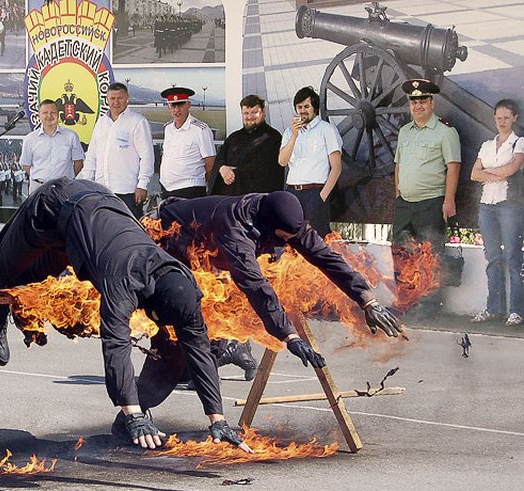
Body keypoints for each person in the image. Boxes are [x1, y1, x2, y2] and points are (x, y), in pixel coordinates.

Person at [0, 178, 251, 452]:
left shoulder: (183, 284)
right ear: (151, 308)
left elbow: (198, 349)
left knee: (30, 278)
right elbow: (116, 345)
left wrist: (218, 419)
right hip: (53, 206)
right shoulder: (123, 279)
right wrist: (133, 414)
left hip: (89, 222)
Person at [151, 191, 403, 381]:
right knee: (182, 312)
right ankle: (154, 385)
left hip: (211, 252)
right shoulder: (236, 231)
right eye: (285, 238)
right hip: (169, 240)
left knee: (221, 302)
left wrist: (366, 299)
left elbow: (327, 258)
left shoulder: (287, 221)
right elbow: (255, 286)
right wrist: (288, 335)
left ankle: (226, 349)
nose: (291, 243)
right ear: (269, 226)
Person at [393, 79, 461, 317]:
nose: (418, 105)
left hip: (431, 203)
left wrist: (449, 200)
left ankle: (429, 307)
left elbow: (453, 167)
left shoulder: (445, 132)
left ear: (432, 103)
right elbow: (398, 164)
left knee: (429, 256)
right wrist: (399, 190)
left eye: (422, 100)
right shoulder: (404, 132)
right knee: (402, 254)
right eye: (414, 101)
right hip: (405, 204)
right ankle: (405, 302)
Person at [469, 99, 524, 326]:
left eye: (506, 118)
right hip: (487, 205)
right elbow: (474, 174)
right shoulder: (487, 145)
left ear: (515, 119)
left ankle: (516, 311)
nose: (501, 122)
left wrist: (488, 172)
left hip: (509, 203)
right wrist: (497, 173)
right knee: (492, 258)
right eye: (498, 118)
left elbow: (512, 169)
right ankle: (494, 308)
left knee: (512, 256)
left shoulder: (519, 143)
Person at [78, 82, 154, 218]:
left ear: (127, 98)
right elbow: (92, 156)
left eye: (120, 98)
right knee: (104, 231)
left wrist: (142, 184)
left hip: (127, 192)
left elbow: (147, 156)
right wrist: (87, 184)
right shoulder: (101, 122)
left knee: (131, 232)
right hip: (101, 190)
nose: (116, 102)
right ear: (107, 100)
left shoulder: (138, 122)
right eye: (112, 98)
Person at [279, 86, 342, 237]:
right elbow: (282, 161)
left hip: (315, 192)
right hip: (292, 192)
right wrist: (294, 136)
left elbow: (337, 168)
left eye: (306, 106)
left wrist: (322, 196)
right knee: (291, 241)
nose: (302, 111)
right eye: (299, 107)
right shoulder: (289, 132)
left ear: (314, 108)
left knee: (316, 242)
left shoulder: (327, 130)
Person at [209, 94, 284, 196]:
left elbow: (266, 169)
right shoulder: (234, 137)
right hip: (229, 199)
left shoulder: (273, 137)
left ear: (263, 112)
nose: (249, 117)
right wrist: (222, 169)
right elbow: (220, 159)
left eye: (254, 112)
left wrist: (234, 173)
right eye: (246, 113)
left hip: (256, 201)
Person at [158, 87, 215, 199]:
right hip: (167, 188)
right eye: (173, 106)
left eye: (180, 105)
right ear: (168, 107)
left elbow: (210, 163)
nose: (176, 110)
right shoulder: (168, 128)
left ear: (188, 105)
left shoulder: (200, 129)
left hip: (190, 190)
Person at [20, 99, 84, 186]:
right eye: (45, 113)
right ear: (39, 115)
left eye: (53, 112)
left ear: (58, 114)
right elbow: (26, 165)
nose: (49, 116)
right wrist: (41, 179)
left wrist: (67, 180)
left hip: (64, 187)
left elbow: (78, 163)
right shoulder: (30, 139)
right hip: (38, 188)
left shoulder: (71, 136)